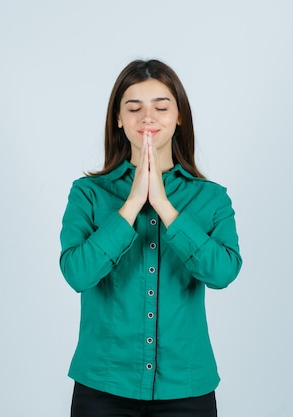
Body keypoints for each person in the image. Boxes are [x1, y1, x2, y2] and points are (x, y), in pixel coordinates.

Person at [59, 59, 242, 417]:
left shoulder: (212, 198)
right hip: (102, 388)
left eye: (161, 106)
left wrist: (163, 205)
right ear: (117, 118)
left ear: (179, 117)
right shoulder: (88, 194)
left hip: (186, 390)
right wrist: (130, 206)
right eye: (134, 108)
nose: (148, 117)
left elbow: (223, 273)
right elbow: (77, 274)